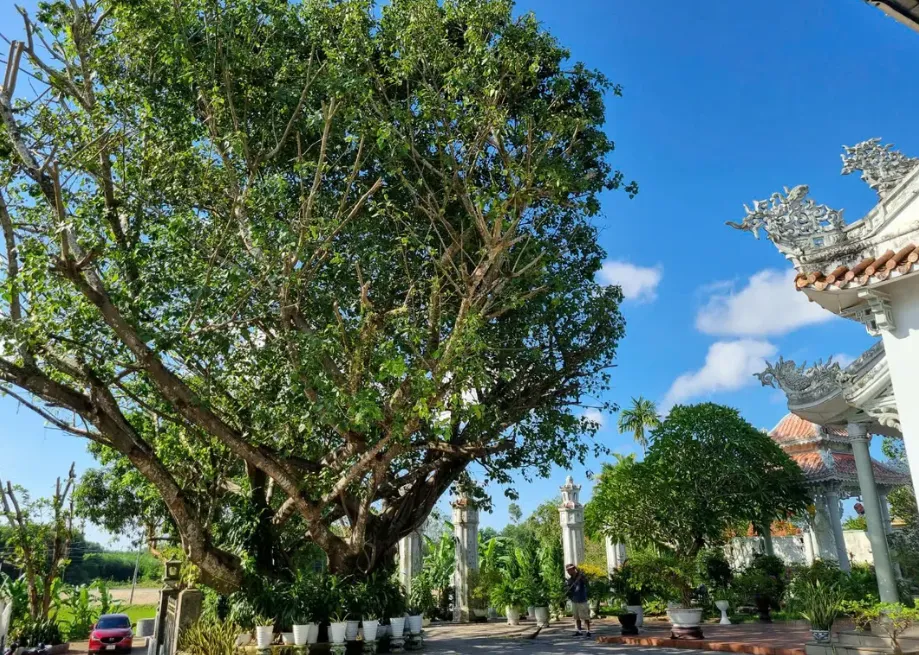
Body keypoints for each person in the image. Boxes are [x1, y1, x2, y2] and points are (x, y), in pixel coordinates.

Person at [564, 564, 591, 637]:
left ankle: (588, 631)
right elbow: (568, 589)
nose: (568, 571)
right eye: (567, 570)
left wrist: (580, 574)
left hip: (582, 599)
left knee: (585, 616)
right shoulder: (570, 580)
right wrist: (567, 590)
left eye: (570, 570)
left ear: (573, 569)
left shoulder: (581, 577)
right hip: (574, 600)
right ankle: (579, 631)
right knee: (576, 617)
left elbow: (586, 582)